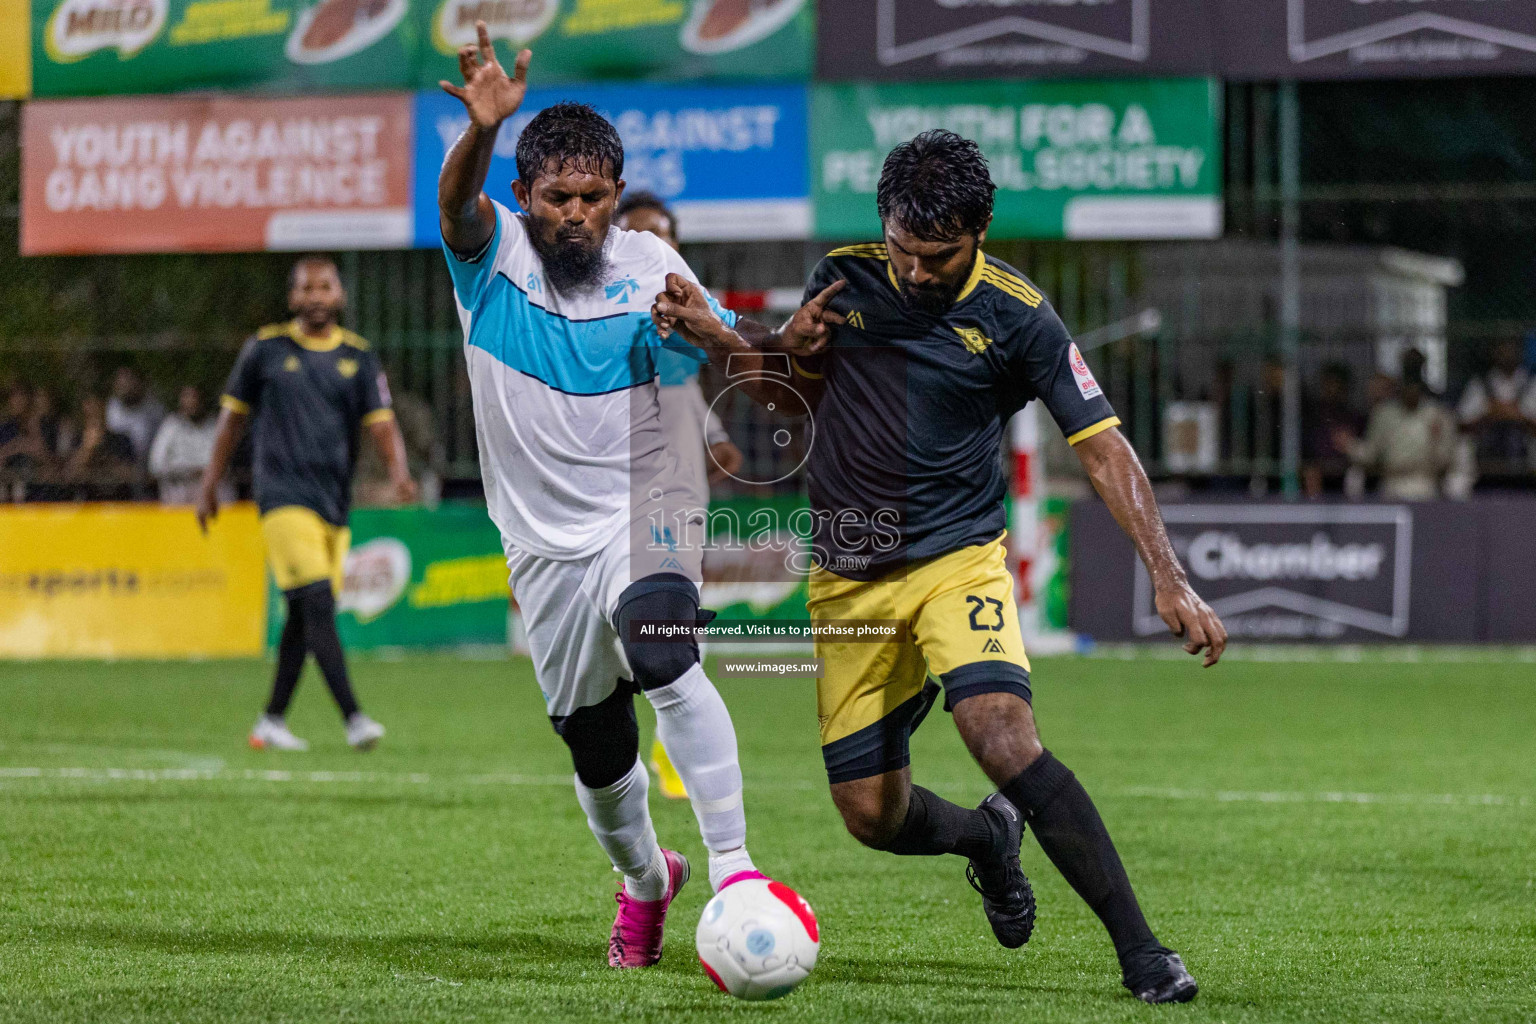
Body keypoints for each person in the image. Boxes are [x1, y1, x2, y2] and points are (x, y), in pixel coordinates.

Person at [654, 129, 1227, 1004]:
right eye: (904, 250)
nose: (917, 272)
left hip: (957, 562)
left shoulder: (1020, 315)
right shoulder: (843, 279)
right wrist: (738, 342)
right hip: (848, 581)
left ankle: (1144, 952)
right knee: (871, 817)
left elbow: (1105, 447)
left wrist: (1168, 572)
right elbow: (783, 401)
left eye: (939, 255)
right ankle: (987, 843)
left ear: (982, 228)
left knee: (998, 732)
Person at [436, 23, 772, 968]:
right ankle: (647, 882)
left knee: (663, 648)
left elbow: (755, 371)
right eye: (558, 199)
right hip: (541, 545)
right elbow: (455, 201)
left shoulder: (653, 268)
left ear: (617, 198)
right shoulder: (489, 256)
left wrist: (715, 327)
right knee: (593, 746)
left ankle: (737, 869)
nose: (576, 215)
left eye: (593, 198)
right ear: (524, 198)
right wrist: (483, 130)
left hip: (643, 508)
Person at [196, 255, 418, 752]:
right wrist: (210, 483)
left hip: (332, 503)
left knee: (303, 613)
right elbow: (231, 421)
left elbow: (381, 422)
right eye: (306, 288)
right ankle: (355, 718)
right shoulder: (265, 349)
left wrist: (399, 472)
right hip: (280, 497)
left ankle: (271, 721)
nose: (315, 296)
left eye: (325, 287)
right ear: (292, 297)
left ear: (339, 296)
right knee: (318, 600)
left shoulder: (359, 357)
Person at [615, 190, 743, 802]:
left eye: (662, 235)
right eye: (639, 233)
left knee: (673, 619)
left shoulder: (695, 310)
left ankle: (671, 754)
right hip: (611, 470)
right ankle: (620, 749)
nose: (652, 245)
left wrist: (714, 435)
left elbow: (689, 389)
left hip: (673, 468)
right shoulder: (600, 305)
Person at [1339, 352, 1457, 500]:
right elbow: (1371, 454)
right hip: (1392, 485)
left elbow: (1445, 460)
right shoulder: (1384, 414)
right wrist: (1350, 446)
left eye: (1415, 387)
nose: (1411, 392)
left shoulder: (1437, 414)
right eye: (1408, 386)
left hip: (1425, 485)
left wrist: (1436, 440)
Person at [1456, 338, 1536, 485]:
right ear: (1494, 353)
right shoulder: (1480, 383)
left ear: (1520, 352)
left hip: (1526, 468)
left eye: (1512, 348)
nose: (1507, 353)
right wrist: (1490, 414)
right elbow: (1463, 425)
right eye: (1503, 349)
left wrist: (1516, 415)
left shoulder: (1531, 383)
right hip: (1485, 466)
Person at [150, 386, 227, 506]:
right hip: (179, 485)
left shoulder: (215, 426)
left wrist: (205, 473)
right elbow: (156, 465)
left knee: (222, 485)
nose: (191, 402)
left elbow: (225, 462)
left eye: (195, 398)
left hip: (210, 484)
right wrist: (185, 472)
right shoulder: (171, 426)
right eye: (187, 397)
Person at [1301, 363, 1365, 498]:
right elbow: (1307, 449)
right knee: (1311, 472)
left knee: (1356, 473)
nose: (1333, 389)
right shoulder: (1313, 415)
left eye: (1337, 385)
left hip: (1347, 475)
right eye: (1328, 384)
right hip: (1318, 475)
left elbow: (1364, 451)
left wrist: (1349, 446)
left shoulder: (1355, 417)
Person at [62, 394, 137, 500]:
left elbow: (133, 475)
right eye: (90, 407)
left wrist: (109, 459)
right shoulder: (77, 440)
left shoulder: (121, 439)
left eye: (98, 407)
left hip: (118, 503)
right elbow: (68, 477)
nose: (94, 411)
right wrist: (87, 449)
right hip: (87, 505)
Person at [106, 366, 166, 466]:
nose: (125, 388)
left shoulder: (155, 408)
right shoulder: (112, 407)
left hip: (149, 460)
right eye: (121, 385)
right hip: (119, 462)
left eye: (128, 383)